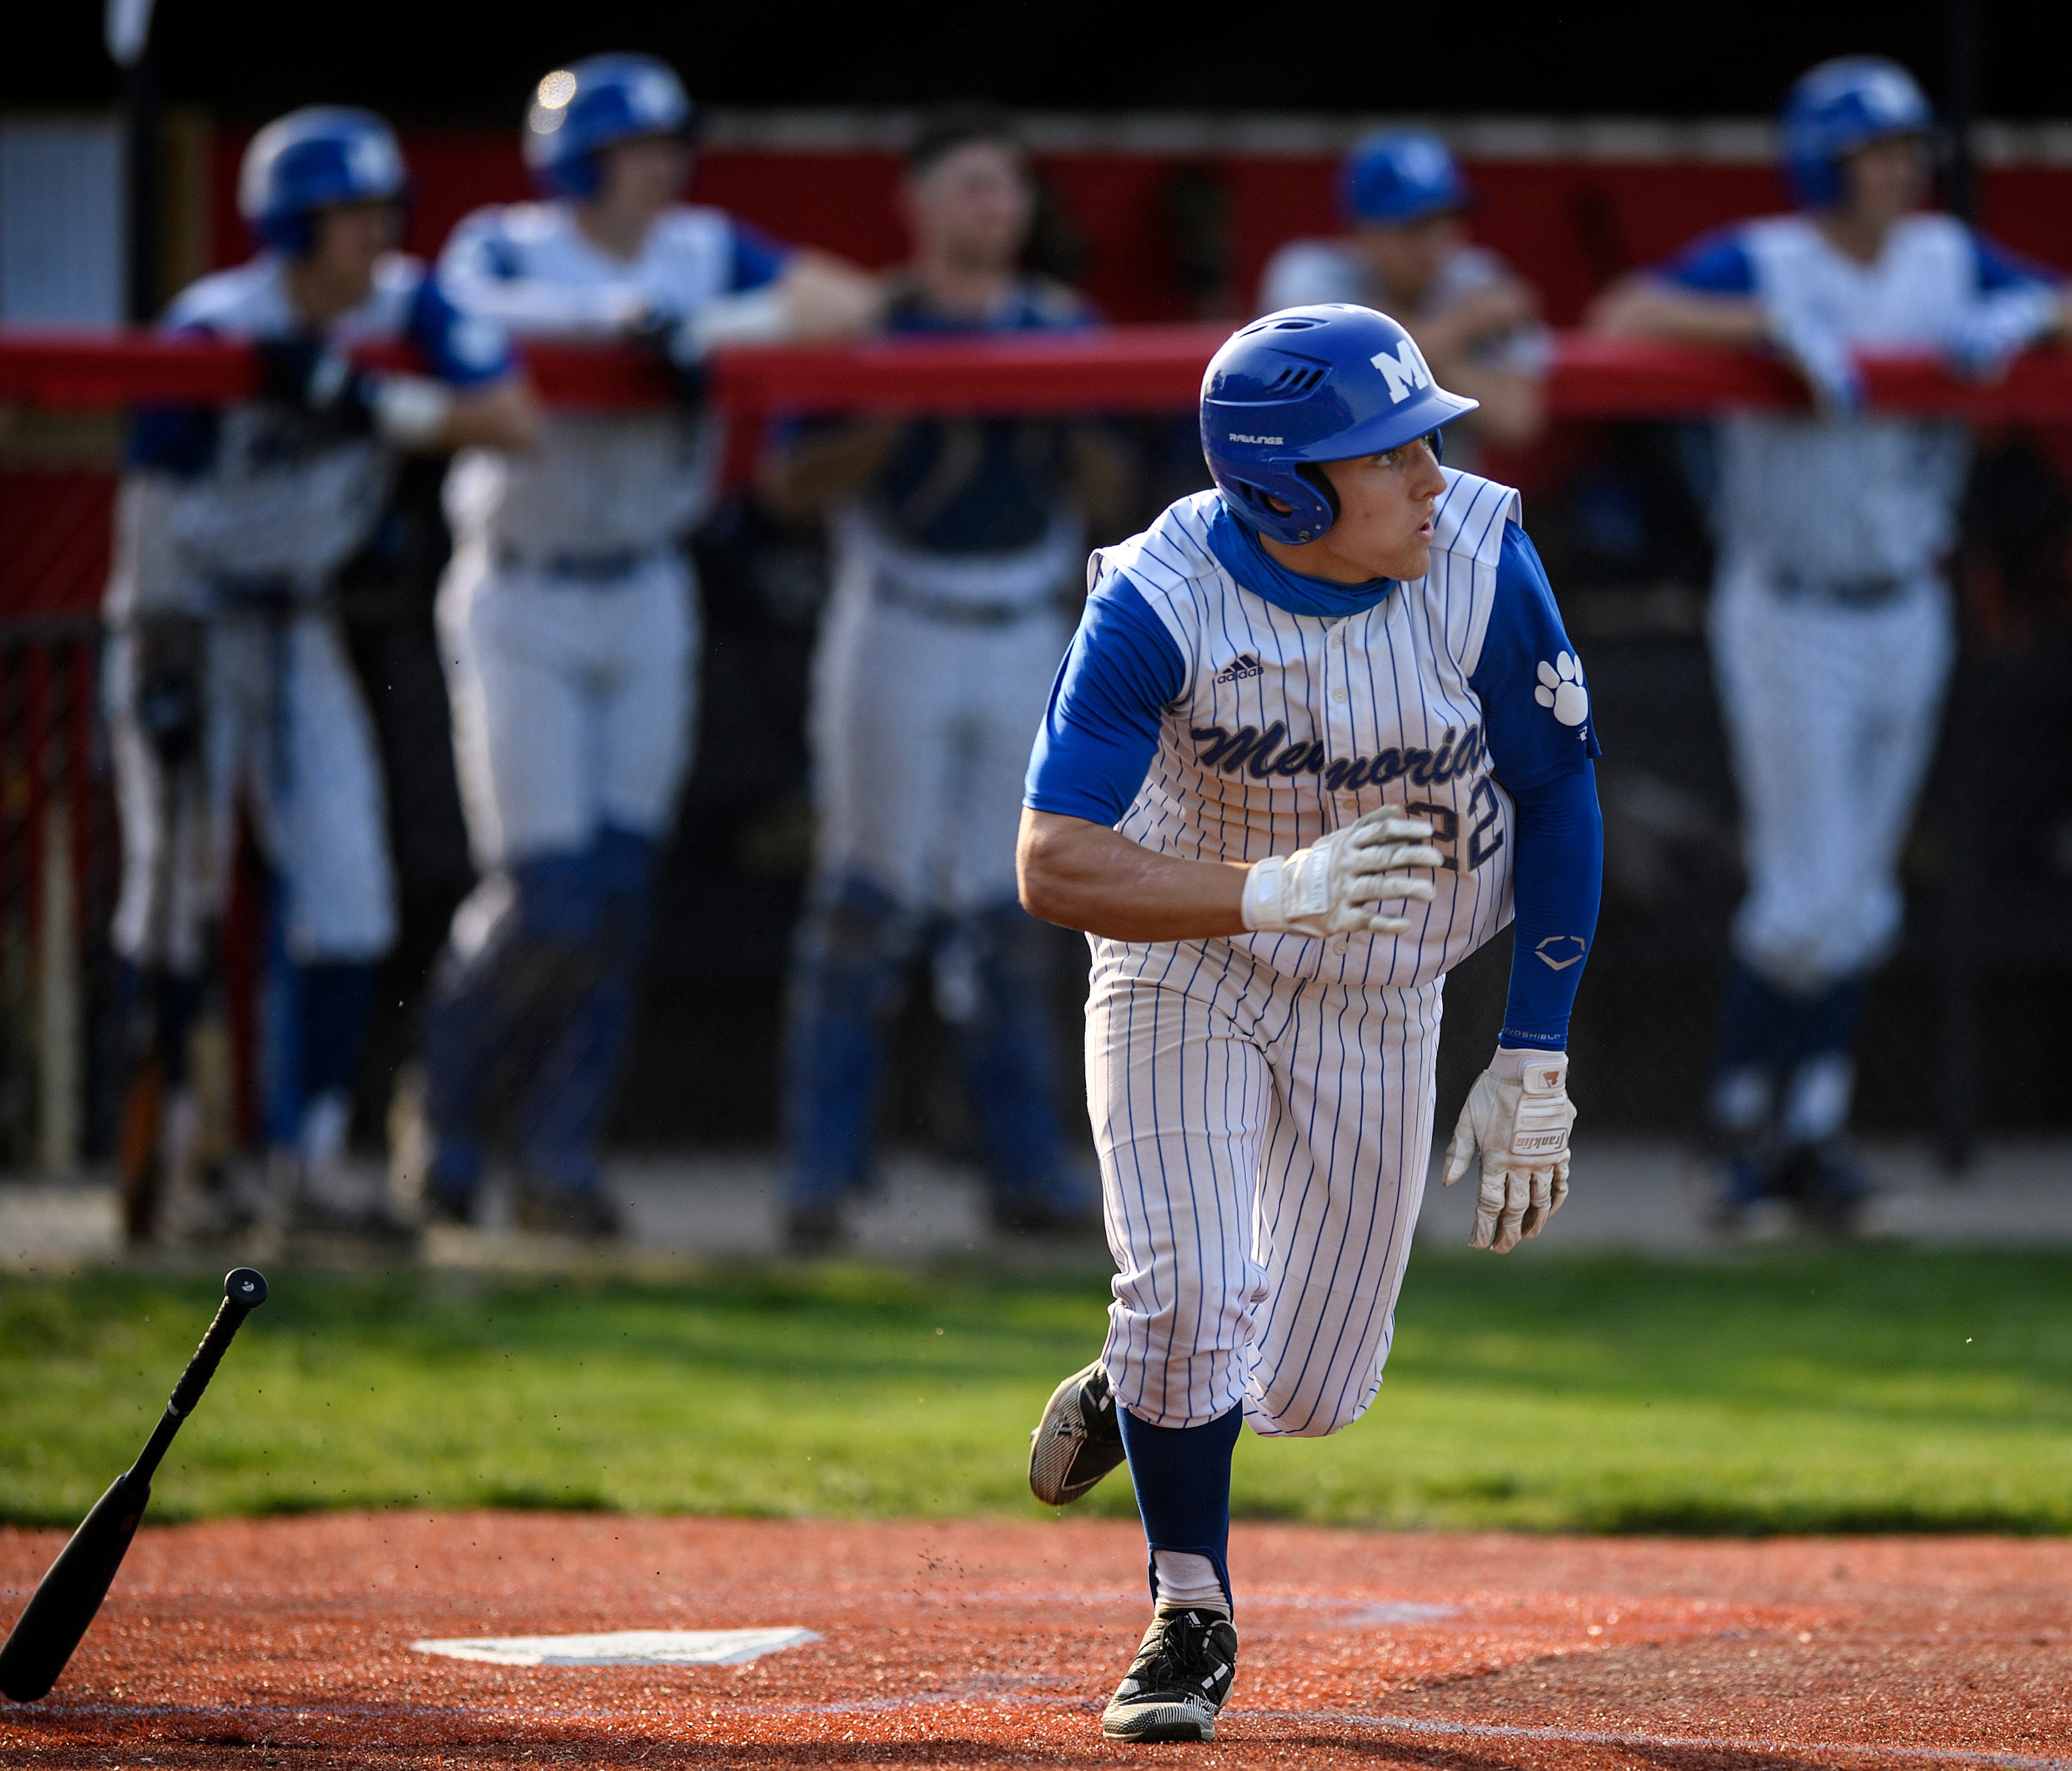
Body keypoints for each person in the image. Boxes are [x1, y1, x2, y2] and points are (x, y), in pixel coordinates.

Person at [1017, 303, 1603, 1742]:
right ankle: (1188, 1606)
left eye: (1422, 439)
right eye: (1384, 453)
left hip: (1388, 987)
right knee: (1189, 1294)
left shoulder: (1474, 553)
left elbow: (1558, 795)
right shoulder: (1156, 595)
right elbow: (1050, 860)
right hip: (1191, 957)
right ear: (1283, 491)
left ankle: (1138, 1383)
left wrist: (1532, 1045)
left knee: (1308, 1386)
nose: (1426, 472)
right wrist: (1264, 888)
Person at [1588, 56, 2071, 1230]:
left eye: (1909, 147)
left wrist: (2024, 313)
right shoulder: (1772, 258)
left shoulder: (1946, 261)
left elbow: (2060, 297)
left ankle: (1806, 1131)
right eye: (1877, 150)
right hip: (1790, 605)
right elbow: (1621, 317)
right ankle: (1734, 1130)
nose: (1902, 168)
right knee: (1807, 895)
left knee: (1859, 896)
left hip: (1905, 600)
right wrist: (1762, 326)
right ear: (1824, 161)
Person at [417, 54, 879, 1236]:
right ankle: (449, 1114)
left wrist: (700, 329)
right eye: (639, 145)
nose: (665, 164)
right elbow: (451, 319)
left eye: (672, 142)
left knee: (619, 892)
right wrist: (620, 332)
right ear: (577, 158)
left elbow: (844, 303)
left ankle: (556, 1159)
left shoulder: (699, 249)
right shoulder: (508, 244)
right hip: (522, 590)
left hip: (645, 589)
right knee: (548, 893)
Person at [105, 105, 535, 1243]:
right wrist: (154, 647)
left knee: (348, 892)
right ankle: (180, 1153)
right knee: (176, 896)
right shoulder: (217, 322)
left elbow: (512, 415)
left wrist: (366, 399)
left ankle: (313, 1156)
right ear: (292, 226)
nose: (373, 233)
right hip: (185, 618)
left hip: (299, 622)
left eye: (380, 210)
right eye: (348, 216)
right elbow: (148, 501)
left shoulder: (408, 304)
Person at [761, 108, 1128, 1254]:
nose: (992, 207)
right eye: (969, 186)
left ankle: (1024, 1175)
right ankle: (820, 1179)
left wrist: (1047, 401)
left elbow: (1119, 490)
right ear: (917, 205)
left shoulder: (1063, 326)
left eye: (1006, 188)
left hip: (1024, 622)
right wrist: (905, 398)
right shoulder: (872, 321)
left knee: (1010, 907)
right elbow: (786, 484)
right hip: (897, 616)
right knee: (867, 899)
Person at [1257, 130, 1547, 455]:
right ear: (1362, 230)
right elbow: (1329, 381)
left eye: (1447, 220)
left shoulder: (1478, 277)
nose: (1434, 244)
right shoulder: (1309, 273)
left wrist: (1395, 359)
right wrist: (1462, 328)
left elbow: (1516, 418)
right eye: (1414, 226)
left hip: (1445, 494)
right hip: (1325, 491)